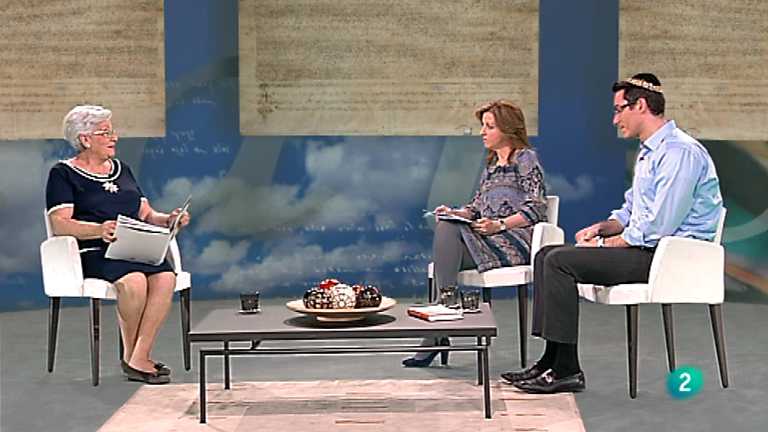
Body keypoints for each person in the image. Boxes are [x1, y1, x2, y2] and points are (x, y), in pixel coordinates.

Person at [502, 73, 723, 393]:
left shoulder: (679, 152)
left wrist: (607, 244)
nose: (615, 119)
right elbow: (632, 212)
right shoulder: (650, 152)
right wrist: (603, 228)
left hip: (670, 259)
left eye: (619, 110)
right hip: (648, 250)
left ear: (641, 105)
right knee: (546, 255)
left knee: (559, 262)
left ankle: (566, 369)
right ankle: (551, 360)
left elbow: (659, 226)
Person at [46, 105, 190, 385]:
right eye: (105, 132)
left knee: (165, 278)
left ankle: (139, 356)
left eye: (113, 131)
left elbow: (146, 214)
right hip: (95, 250)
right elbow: (60, 224)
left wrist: (168, 219)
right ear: (85, 139)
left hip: (134, 247)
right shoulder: (63, 174)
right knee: (134, 282)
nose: (114, 137)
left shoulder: (122, 169)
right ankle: (134, 358)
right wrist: (99, 230)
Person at [403, 100, 548, 367]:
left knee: (449, 232)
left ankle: (441, 323)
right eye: (483, 126)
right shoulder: (490, 166)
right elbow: (476, 207)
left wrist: (500, 225)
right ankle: (444, 315)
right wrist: (456, 212)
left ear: (507, 129)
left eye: (489, 126)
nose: (482, 132)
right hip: (487, 238)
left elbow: (537, 207)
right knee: (447, 225)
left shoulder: (525, 158)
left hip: (514, 239)